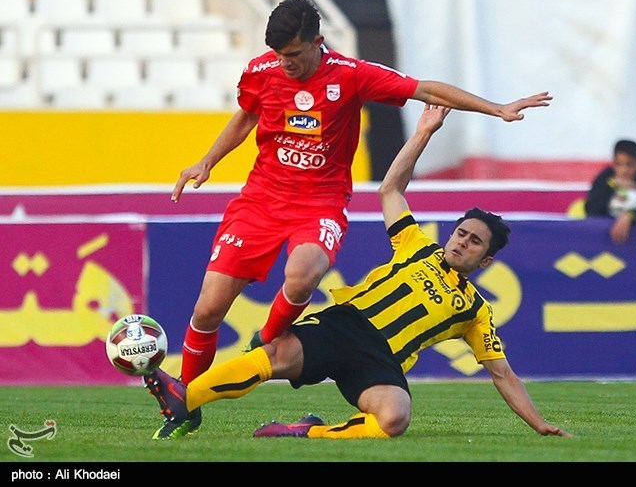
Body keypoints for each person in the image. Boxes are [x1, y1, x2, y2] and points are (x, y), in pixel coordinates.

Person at [167, 0, 554, 425]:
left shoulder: (351, 76)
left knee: (304, 273)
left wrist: (495, 108)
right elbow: (246, 115)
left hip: (319, 203)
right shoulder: (262, 70)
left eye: (293, 54)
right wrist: (207, 160)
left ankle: (270, 337)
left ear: (317, 41)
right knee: (207, 310)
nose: (285, 64)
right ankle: (184, 406)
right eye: (279, 55)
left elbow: (425, 89)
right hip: (260, 199)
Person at [144, 103, 570, 440]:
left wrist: (538, 423)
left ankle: (308, 431)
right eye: (461, 233)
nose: (461, 242)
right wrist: (422, 133)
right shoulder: (417, 246)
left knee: (395, 418)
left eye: (474, 242)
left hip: (381, 360)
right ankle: (185, 397)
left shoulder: (474, 311)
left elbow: (502, 373)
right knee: (274, 356)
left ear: (485, 261)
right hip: (345, 325)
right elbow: (391, 189)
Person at [584, 139, 636, 244]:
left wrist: (629, 217)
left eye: (629, 164)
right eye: (618, 164)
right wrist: (612, 185)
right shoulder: (605, 177)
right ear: (613, 163)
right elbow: (591, 209)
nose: (623, 170)